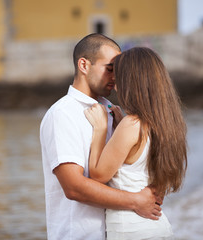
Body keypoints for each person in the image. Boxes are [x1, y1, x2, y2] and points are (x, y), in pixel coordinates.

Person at [40, 34, 163, 240]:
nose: (115, 77)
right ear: (84, 65)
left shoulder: (113, 111)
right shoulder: (62, 114)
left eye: (118, 71)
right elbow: (74, 188)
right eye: (109, 69)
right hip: (80, 235)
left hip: (122, 232)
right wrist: (136, 201)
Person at [84, 47, 188, 239]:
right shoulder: (166, 124)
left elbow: (98, 176)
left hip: (132, 230)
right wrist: (118, 126)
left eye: (119, 79)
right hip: (157, 227)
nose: (115, 86)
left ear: (133, 83)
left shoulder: (131, 125)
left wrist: (100, 130)